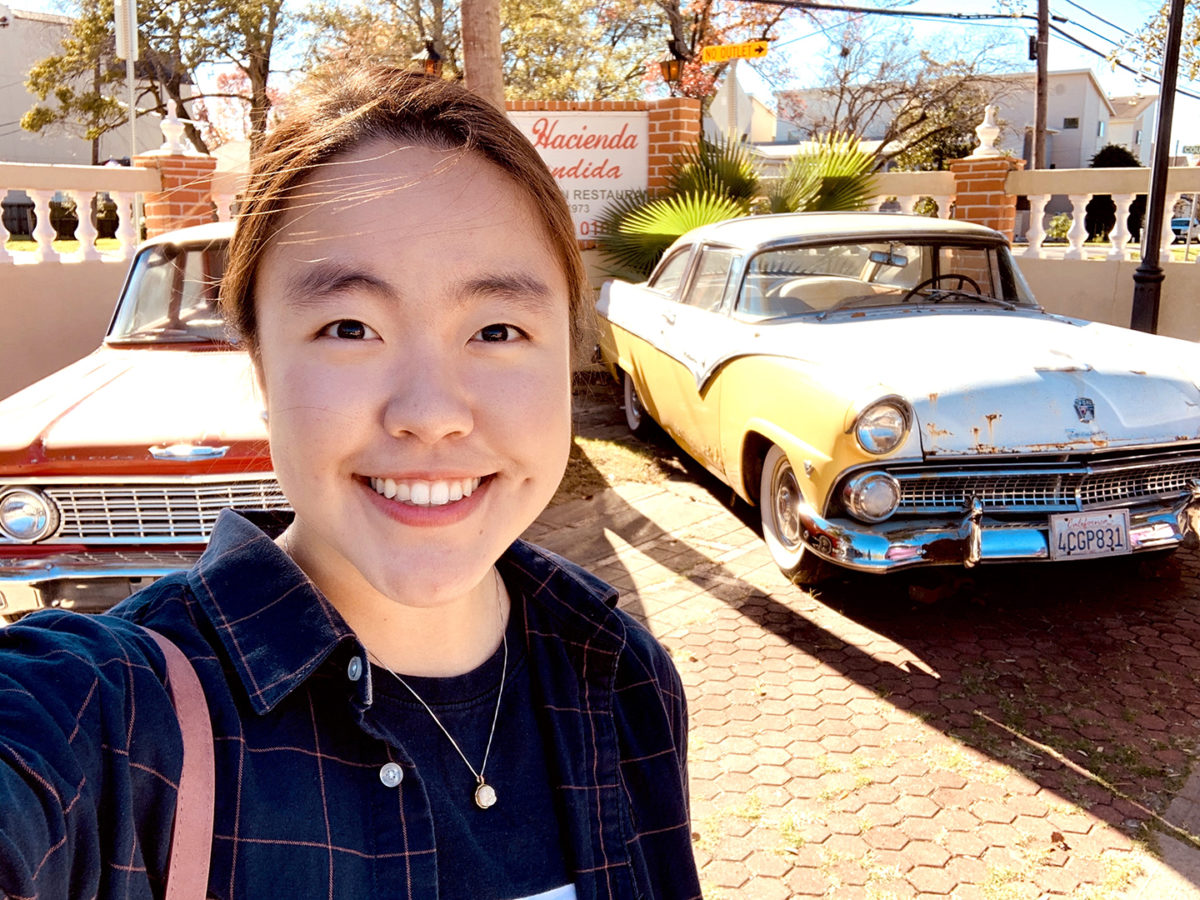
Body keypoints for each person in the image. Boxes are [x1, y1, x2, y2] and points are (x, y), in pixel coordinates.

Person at [0, 67, 701, 900]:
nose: (431, 414)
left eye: (498, 328)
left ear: (569, 360)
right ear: (260, 367)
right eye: (349, 327)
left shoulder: (625, 676)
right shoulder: (115, 724)